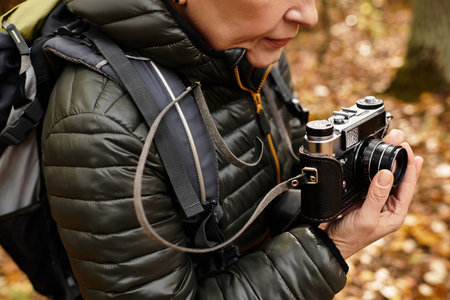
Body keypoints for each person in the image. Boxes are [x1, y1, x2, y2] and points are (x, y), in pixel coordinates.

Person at [41, 0, 423, 298]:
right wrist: (332, 246)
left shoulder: (250, 51)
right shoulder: (99, 124)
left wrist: (338, 198)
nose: (310, 15)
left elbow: (279, 185)